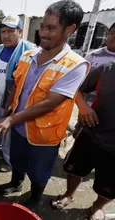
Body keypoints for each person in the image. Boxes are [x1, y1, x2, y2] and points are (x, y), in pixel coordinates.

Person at [0, 0, 89, 213]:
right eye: (43, 26)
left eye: (51, 28)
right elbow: (16, 85)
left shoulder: (75, 65)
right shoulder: (27, 55)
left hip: (44, 135)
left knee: (38, 171)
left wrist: (11, 119)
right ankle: (16, 182)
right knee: (17, 160)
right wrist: (7, 109)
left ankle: (35, 197)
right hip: (17, 127)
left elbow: (49, 103)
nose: (43, 33)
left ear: (69, 29)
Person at [50, 61, 115, 219]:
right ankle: (69, 194)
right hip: (91, 133)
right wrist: (83, 107)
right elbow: (79, 89)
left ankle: (97, 207)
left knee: (111, 185)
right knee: (75, 170)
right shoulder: (107, 68)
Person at [0, 14, 35, 172]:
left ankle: (9, 161)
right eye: (3, 31)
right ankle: (0, 150)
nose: (6, 35)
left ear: (20, 31)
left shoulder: (30, 51)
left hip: (16, 102)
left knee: (10, 133)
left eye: (10, 31)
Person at [73, 22, 115, 137]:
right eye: (112, 33)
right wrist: (83, 107)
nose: (114, 37)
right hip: (88, 113)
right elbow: (77, 86)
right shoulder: (93, 56)